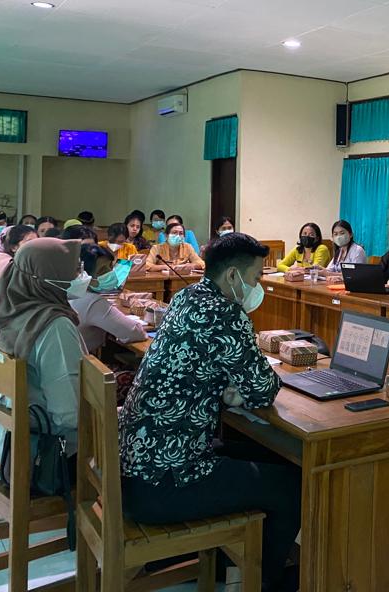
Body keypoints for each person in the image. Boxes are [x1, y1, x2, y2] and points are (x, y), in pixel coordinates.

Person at [119, 233, 300, 592]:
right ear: (232, 275)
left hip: (139, 464)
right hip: (166, 481)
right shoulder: (226, 313)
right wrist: (238, 387)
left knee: (268, 456)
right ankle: (264, 581)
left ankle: (232, 564)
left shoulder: (186, 297)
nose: (258, 287)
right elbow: (262, 390)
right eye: (255, 278)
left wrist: (229, 385)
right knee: (292, 485)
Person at [0, 237, 87, 453]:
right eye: (74, 270)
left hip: (12, 441)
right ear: (48, 278)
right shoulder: (55, 326)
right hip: (52, 454)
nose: (81, 276)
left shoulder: (7, 313)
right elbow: (70, 415)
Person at [71, 244, 145, 354]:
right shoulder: (93, 302)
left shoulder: (70, 291)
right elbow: (135, 333)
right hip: (82, 361)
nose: (110, 273)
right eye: (102, 270)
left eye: (111, 266)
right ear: (84, 274)